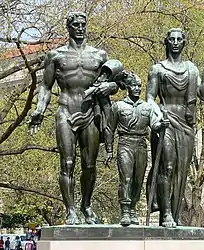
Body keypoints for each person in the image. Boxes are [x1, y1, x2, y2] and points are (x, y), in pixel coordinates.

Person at [28, 12, 122, 225]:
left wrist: (110, 86)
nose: (80, 28)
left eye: (83, 24)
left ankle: (86, 206)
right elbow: (45, 86)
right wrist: (39, 110)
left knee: (89, 165)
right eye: (76, 25)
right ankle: (70, 210)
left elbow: (116, 83)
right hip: (65, 110)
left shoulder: (99, 55)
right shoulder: (55, 56)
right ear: (68, 27)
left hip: (90, 112)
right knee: (68, 162)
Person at [146, 28, 204, 227]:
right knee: (167, 167)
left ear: (183, 42)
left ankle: (175, 215)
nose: (176, 42)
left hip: (186, 123)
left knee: (181, 172)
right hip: (166, 120)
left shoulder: (192, 69)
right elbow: (149, 98)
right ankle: (166, 214)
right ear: (166, 42)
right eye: (172, 39)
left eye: (179, 39)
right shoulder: (157, 69)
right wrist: (158, 115)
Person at [107, 72, 167, 226]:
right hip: (125, 144)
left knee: (138, 180)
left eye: (139, 86)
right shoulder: (118, 106)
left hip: (141, 145)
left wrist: (161, 125)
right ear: (127, 87)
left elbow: (154, 125)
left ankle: (133, 208)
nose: (137, 88)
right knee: (126, 178)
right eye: (134, 85)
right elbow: (109, 129)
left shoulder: (147, 107)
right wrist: (109, 149)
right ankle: (125, 210)